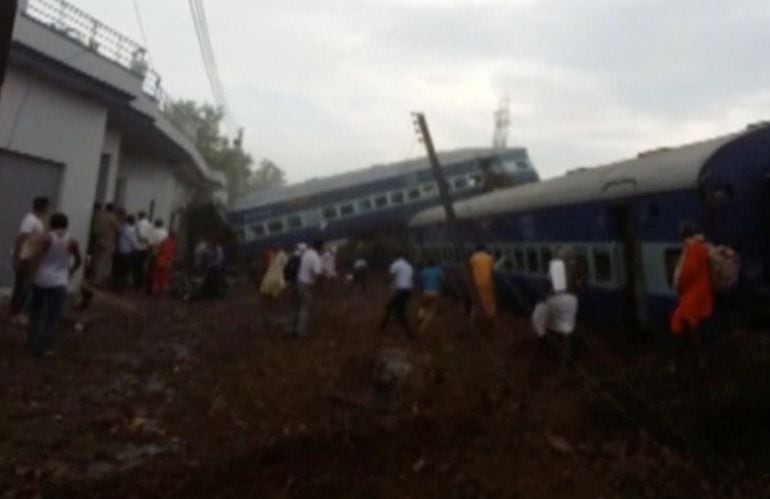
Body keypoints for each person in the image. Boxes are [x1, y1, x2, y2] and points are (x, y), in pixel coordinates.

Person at [27, 212, 82, 356]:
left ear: (52, 223)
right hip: (60, 281)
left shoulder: (46, 238)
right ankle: (47, 346)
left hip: (42, 279)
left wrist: (32, 273)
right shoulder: (72, 241)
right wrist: (69, 271)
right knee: (53, 316)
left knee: (36, 311)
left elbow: (36, 256)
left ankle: (32, 342)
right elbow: (78, 260)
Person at [671, 224, 714, 349]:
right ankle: (698, 354)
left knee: (682, 321)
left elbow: (687, 273)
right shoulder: (704, 246)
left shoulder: (691, 249)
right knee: (692, 323)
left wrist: (678, 285)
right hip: (703, 292)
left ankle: (694, 353)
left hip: (692, 294)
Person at [9, 197, 50, 326]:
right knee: (23, 287)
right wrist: (17, 257)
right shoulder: (30, 220)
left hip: (29, 257)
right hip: (25, 257)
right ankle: (16, 314)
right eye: (48, 207)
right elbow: (21, 238)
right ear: (43, 207)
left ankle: (15, 313)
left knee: (22, 286)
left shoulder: (36, 220)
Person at [290, 240, 323, 337]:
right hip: (306, 284)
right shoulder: (316, 257)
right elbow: (317, 272)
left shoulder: (306, 253)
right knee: (305, 308)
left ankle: (291, 328)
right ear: (320, 248)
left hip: (299, 281)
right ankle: (301, 332)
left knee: (297, 306)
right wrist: (319, 279)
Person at [380, 252, 415, 338]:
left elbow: (391, 275)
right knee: (393, 308)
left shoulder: (396, 264)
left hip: (401, 290)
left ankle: (410, 333)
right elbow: (409, 278)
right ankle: (382, 326)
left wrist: (386, 282)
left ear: (396, 256)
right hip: (408, 290)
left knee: (397, 311)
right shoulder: (409, 266)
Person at [91, 203, 120, 287]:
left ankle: (93, 278)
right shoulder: (112, 217)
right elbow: (119, 229)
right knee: (103, 262)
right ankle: (97, 281)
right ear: (113, 209)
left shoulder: (99, 215)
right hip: (108, 241)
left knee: (96, 260)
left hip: (97, 240)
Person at [469, 244, 497, 331]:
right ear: (484, 249)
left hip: (477, 284)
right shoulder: (489, 258)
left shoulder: (472, 259)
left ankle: (476, 321)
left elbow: (470, 271)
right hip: (488, 283)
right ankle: (490, 319)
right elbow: (493, 270)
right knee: (489, 301)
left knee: (478, 301)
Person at [417, 258, 444, 333]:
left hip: (425, 292)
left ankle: (420, 316)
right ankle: (422, 328)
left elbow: (420, 281)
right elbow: (442, 280)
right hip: (435, 292)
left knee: (423, 306)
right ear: (435, 264)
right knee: (431, 311)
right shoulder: (438, 270)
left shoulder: (424, 271)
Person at [113, 215, 139, 291]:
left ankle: (116, 285)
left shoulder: (122, 227)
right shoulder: (131, 230)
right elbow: (133, 242)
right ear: (132, 222)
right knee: (125, 271)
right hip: (127, 253)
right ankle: (120, 287)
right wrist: (136, 249)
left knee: (117, 269)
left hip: (119, 250)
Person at [149, 231, 176, 295]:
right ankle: (160, 287)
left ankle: (157, 286)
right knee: (164, 274)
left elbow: (159, 250)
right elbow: (170, 253)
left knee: (158, 273)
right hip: (165, 260)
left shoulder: (164, 241)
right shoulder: (171, 243)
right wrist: (171, 260)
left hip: (160, 259)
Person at [134, 211, 153, 289]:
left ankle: (136, 282)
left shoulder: (138, 223)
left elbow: (138, 235)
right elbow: (151, 235)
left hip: (137, 247)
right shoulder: (150, 224)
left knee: (136, 266)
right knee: (142, 265)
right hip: (145, 247)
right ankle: (141, 282)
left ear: (139, 216)